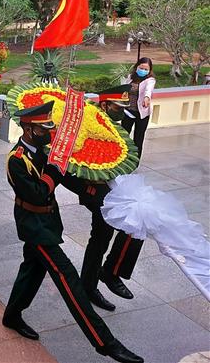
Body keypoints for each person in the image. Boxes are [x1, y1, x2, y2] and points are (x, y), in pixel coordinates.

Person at [2, 101, 143, 363]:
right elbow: (39, 194)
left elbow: (69, 179)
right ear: (30, 129)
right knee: (68, 281)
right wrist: (54, 172)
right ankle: (107, 343)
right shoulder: (17, 160)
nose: (50, 131)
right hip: (34, 227)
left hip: (48, 224)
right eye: (45, 127)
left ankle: (11, 315)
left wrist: (102, 195)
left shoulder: (42, 152)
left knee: (31, 271)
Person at [61, 85, 144, 311]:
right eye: (119, 107)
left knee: (129, 225)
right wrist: (87, 190)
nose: (122, 111)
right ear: (105, 105)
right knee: (115, 230)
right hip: (95, 192)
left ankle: (100, 278)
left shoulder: (113, 127)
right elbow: (66, 168)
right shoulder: (85, 124)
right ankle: (106, 275)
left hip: (114, 188)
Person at [121, 57, 155, 158]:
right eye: (141, 68)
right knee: (123, 137)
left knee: (138, 138)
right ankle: (123, 158)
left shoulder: (150, 80)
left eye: (146, 69)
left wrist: (147, 97)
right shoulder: (130, 77)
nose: (143, 70)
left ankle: (135, 160)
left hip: (142, 113)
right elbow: (124, 89)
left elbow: (148, 90)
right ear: (137, 67)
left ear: (149, 70)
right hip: (128, 111)